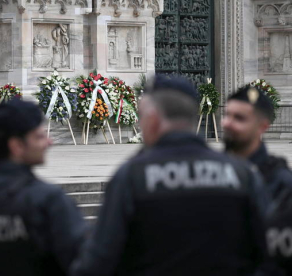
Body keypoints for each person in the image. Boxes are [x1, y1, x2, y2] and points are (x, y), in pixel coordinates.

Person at [70, 75, 275, 276]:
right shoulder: (241, 174)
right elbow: (271, 256)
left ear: (152, 119)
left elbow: (97, 263)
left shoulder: (132, 177)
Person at [0, 98, 87, 276]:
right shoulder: (47, 200)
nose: (49, 142)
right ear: (17, 146)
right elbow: (84, 262)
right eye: (39, 136)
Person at [222, 85, 292, 274]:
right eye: (227, 115)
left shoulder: (281, 182)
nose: (227, 123)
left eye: (239, 118)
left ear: (263, 126)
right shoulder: (210, 171)